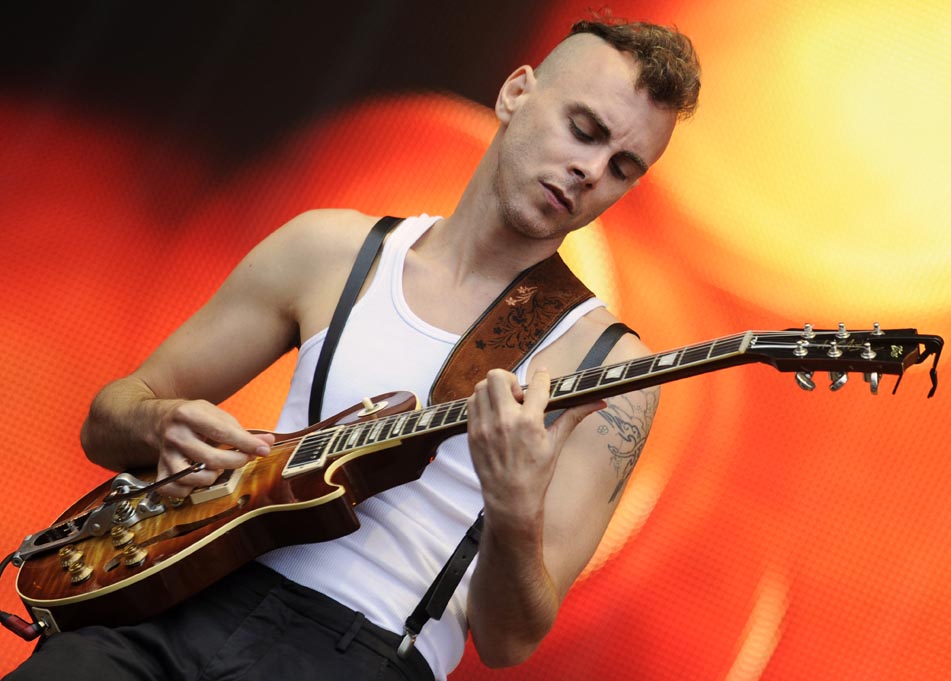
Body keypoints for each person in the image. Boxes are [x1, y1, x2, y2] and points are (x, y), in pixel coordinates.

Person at [7, 17, 700, 681]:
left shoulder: (611, 371)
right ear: (517, 92)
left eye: (621, 165)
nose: (589, 169)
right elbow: (108, 418)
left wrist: (515, 504)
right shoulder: (331, 250)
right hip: (187, 594)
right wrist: (162, 424)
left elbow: (508, 640)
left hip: (362, 651)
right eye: (583, 129)